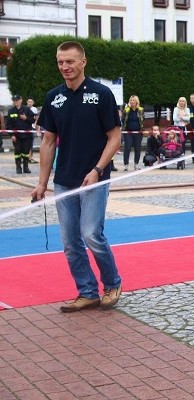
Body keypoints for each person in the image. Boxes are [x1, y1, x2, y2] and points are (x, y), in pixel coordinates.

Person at [31, 40, 122, 313]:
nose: (65, 67)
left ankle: (112, 283)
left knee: (92, 234)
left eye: (70, 61)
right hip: (64, 181)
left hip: (94, 178)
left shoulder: (101, 94)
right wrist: (42, 183)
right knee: (70, 242)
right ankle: (87, 292)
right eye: (60, 62)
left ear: (83, 62)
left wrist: (97, 170)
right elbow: (48, 141)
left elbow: (115, 137)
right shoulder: (53, 98)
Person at [7, 94, 35, 174]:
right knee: (18, 151)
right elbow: (8, 125)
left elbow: (33, 120)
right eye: (14, 100)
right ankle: (18, 167)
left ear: (21, 100)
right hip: (16, 136)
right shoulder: (11, 111)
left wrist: (26, 118)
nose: (15, 101)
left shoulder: (27, 109)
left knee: (26, 151)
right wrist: (11, 135)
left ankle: (26, 167)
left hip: (27, 135)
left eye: (17, 100)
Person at [122, 95, 144, 171]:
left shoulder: (140, 110)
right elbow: (123, 119)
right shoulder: (126, 110)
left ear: (136, 102)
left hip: (138, 132)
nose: (132, 102)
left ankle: (136, 164)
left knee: (137, 148)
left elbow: (142, 120)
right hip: (128, 132)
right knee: (127, 147)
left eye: (133, 100)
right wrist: (126, 108)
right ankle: (126, 165)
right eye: (131, 100)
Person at [26, 96, 39, 164]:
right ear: (27, 102)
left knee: (31, 143)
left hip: (32, 128)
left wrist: (37, 129)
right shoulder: (24, 109)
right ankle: (25, 157)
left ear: (33, 103)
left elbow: (37, 119)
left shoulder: (34, 109)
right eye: (29, 102)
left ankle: (30, 157)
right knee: (25, 143)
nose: (30, 103)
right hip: (25, 128)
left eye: (31, 102)